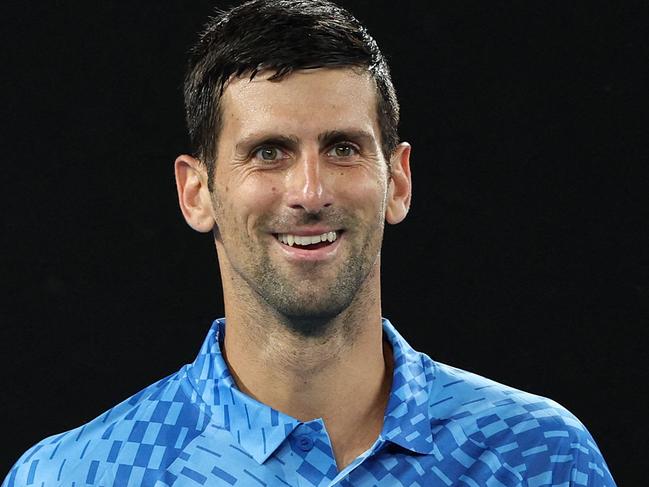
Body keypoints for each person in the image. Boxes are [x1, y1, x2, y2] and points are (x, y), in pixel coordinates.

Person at [3, 1, 616, 486]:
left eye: (343, 148)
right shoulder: (79, 476)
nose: (310, 191)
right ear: (197, 193)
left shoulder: (538, 457)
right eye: (268, 153)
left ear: (397, 181)